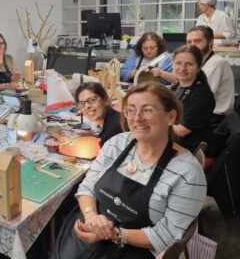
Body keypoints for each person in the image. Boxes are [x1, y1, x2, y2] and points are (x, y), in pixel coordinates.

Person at [50, 83, 206, 259]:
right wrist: (91, 216)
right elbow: (87, 187)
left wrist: (114, 234)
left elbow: (167, 235)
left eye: (147, 110)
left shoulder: (187, 174)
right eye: (131, 110)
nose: (137, 118)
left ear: (170, 116)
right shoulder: (117, 144)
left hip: (134, 247)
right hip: (91, 227)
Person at [186, 25, 234, 129]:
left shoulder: (216, 63)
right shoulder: (201, 62)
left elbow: (200, 96)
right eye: (189, 42)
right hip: (203, 113)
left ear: (210, 43)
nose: (192, 45)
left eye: (197, 41)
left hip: (214, 119)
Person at [170, 45, 215, 152]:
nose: (182, 68)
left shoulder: (202, 95)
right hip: (174, 142)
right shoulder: (175, 87)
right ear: (173, 64)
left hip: (191, 148)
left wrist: (154, 127)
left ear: (198, 68)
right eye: (178, 63)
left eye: (189, 64)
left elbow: (181, 131)